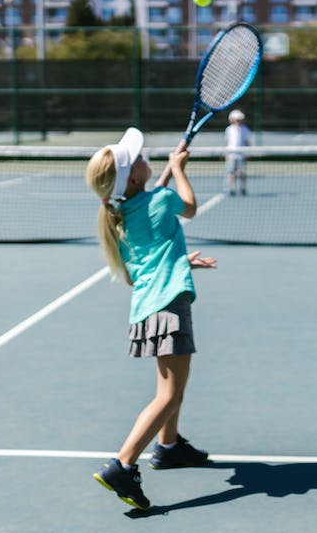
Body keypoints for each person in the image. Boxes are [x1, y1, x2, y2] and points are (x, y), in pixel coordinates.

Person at [84, 127, 217, 510]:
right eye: (139, 158)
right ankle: (122, 466)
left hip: (147, 308)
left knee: (174, 385)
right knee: (169, 393)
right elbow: (189, 207)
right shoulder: (158, 199)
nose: (146, 156)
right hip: (169, 306)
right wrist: (178, 168)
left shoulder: (119, 215)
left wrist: (181, 260)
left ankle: (169, 447)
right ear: (137, 177)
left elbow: (144, 261)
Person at [223, 109, 252, 196]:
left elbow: (247, 142)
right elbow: (227, 142)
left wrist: (248, 153)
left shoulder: (245, 129)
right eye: (237, 119)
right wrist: (226, 154)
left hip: (242, 155)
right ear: (232, 120)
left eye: (240, 120)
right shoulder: (229, 130)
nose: (239, 121)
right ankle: (232, 188)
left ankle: (243, 188)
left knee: (242, 173)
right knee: (231, 172)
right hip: (231, 155)